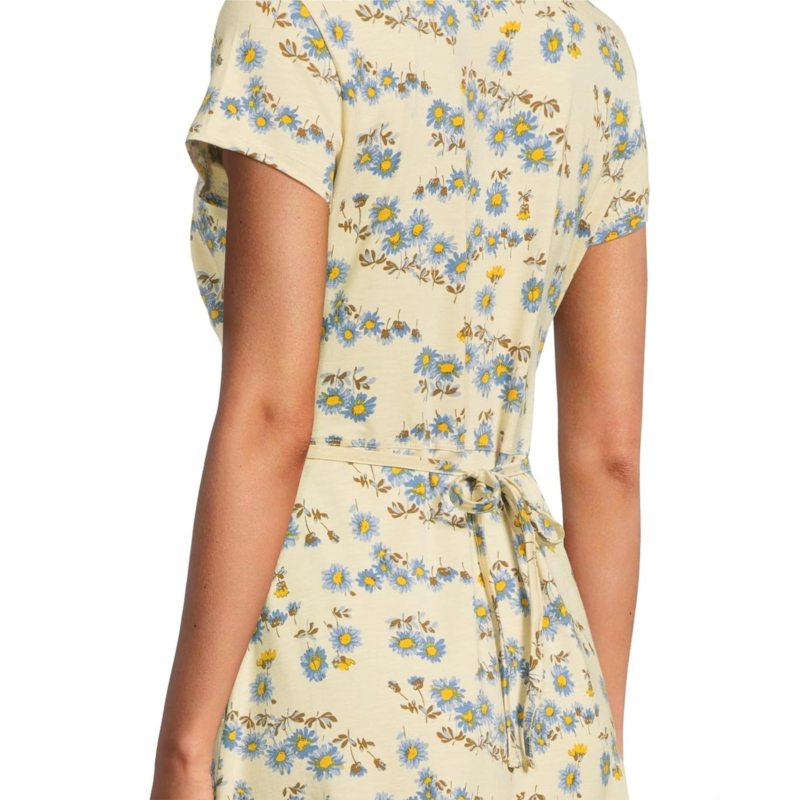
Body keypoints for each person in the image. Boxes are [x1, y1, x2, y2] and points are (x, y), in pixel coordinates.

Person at [151, 0, 648, 797]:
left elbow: (273, 416)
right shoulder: (590, 52)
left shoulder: (294, 20)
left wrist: (184, 749)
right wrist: (594, 739)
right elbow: (609, 459)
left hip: (330, 656)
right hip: (542, 677)